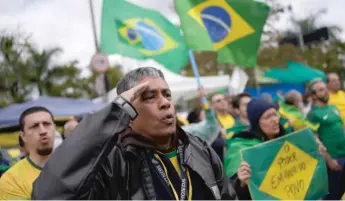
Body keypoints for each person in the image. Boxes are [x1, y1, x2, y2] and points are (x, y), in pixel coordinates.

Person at [32, 67, 237, 200]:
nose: (165, 103)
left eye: (167, 94)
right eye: (149, 97)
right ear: (128, 109)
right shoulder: (111, 164)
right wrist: (114, 112)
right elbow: (49, 195)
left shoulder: (200, 150)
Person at [0, 106, 55, 200]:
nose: (43, 131)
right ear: (23, 136)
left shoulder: (75, 165)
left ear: (55, 128)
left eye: (46, 124)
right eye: (34, 126)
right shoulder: (12, 180)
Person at [306, 79, 345, 200]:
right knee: (334, 195)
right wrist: (329, 160)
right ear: (313, 95)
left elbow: (341, 128)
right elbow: (314, 139)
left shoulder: (333, 108)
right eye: (321, 90)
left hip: (344, 156)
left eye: (325, 88)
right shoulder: (312, 114)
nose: (326, 92)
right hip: (333, 161)